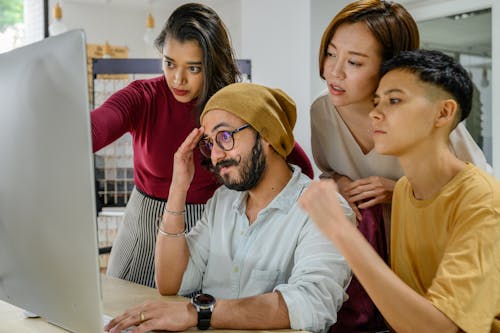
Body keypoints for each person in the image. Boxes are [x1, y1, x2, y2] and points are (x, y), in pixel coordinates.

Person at [91, 3, 313, 288]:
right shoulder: (143, 97)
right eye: (169, 63)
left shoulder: (232, 105)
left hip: (206, 229)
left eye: (193, 68)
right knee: (121, 315)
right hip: (143, 226)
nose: (177, 79)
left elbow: (294, 161)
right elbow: (96, 128)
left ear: (211, 63)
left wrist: (322, 199)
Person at [105, 83, 354, 333]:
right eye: (210, 143)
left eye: (225, 137)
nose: (215, 156)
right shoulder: (222, 202)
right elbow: (172, 282)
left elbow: (310, 303)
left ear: (266, 134)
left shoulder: (327, 209)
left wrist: (198, 313)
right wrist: (178, 187)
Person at [300, 49, 500, 333]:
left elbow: (440, 328)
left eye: (394, 100)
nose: (376, 114)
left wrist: (341, 232)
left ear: (443, 112)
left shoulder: (483, 202)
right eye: (377, 101)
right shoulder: (405, 191)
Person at [311, 0, 490, 224]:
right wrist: (341, 183)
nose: (335, 72)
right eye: (331, 53)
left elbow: (480, 193)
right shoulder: (322, 110)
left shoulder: (423, 114)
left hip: (429, 237)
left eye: (354, 62)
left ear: (390, 66)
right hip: (367, 239)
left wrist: (400, 192)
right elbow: (328, 172)